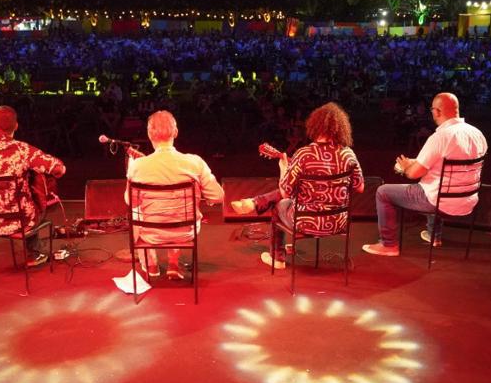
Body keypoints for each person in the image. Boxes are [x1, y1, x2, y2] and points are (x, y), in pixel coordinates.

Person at [231, 102, 365, 268]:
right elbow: (360, 187)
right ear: (341, 128)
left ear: (314, 126)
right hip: (339, 222)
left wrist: (283, 169)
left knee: (278, 205)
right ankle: (254, 203)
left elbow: (285, 193)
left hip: (306, 223)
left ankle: (277, 257)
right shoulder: (348, 154)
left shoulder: (304, 154)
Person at [362, 92, 487, 256]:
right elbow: (450, 163)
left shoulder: (440, 137)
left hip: (439, 202)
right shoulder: (478, 134)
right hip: (468, 201)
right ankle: (434, 235)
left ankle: (388, 244)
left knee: (383, 192)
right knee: (436, 181)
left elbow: (413, 174)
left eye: (432, 110)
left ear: (437, 111)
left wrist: (405, 167)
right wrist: (417, 162)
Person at [125, 110, 224, 280]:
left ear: (149, 134)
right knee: (179, 210)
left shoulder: (137, 166)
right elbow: (218, 196)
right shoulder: (195, 162)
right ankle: (173, 264)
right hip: (186, 232)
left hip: (151, 233)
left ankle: (151, 265)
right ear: (176, 132)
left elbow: (130, 202)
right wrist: (200, 195)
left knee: (136, 211)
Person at [0, 105, 66, 262]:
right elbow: (59, 169)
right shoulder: (22, 151)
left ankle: (36, 249)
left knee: (22, 188)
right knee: (37, 182)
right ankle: (36, 252)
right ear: (16, 126)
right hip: (19, 221)